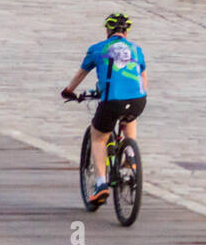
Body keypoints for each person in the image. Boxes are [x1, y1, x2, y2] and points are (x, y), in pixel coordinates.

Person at [61, 12, 147, 207]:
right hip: (138, 99)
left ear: (108, 30)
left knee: (98, 135)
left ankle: (101, 185)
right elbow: (143, 78)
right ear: (127, 31)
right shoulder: (136, 49)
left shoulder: (98, 49)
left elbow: (81, 74)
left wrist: (68, 92)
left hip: (111, 101)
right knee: (129, 117)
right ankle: (131, 157)